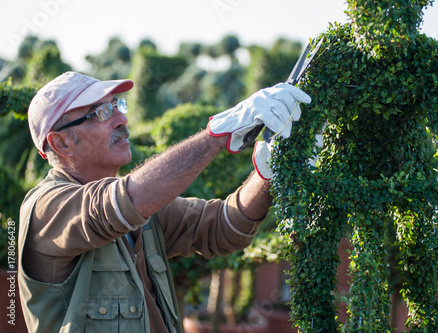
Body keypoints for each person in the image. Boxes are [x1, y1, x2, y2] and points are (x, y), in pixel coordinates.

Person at [18, 71, 311, 333]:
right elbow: (118, 204)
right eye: (102, 113)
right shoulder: (47, 207)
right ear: (61, 143)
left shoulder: (145, 205)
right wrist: (218, 134)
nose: (122, 119)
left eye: (118, 105)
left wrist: (266, 173)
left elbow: (224, 226)